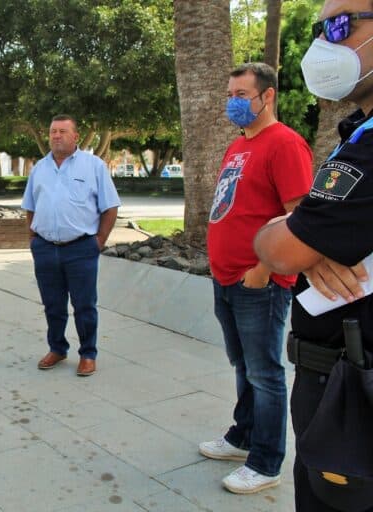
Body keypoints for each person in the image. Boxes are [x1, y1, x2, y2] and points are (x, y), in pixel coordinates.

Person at [255, 1, 373, 509]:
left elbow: (281, 249)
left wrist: (295, 238)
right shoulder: (359, 133)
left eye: (341, 24)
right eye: (321, 26)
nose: (324, 42)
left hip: (351, 385)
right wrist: (300, 238)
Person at [199, 62, 314, 494]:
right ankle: (243, 436)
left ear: (267, 97)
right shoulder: (238, 146)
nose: (232, 102)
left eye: (241, 95)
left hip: (258, 284)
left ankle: (266, 462)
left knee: (265, 373)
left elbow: (299, 215)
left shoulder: (285, 144)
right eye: (230, 93)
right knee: (242, 365)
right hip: (226, 278)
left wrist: (263, 270)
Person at [21, 114, 120, 377]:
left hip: (81, 249)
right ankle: (57, 348)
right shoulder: (39, 168)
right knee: (52, 304)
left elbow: (110, 207)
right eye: (53, 131)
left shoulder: (93, 166)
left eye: (62, 131)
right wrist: (33, 240)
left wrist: (98, 242)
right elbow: (30, 207)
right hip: (45, 248)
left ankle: (88, 353)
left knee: (84, 305)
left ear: (75, 136)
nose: (56, 136)